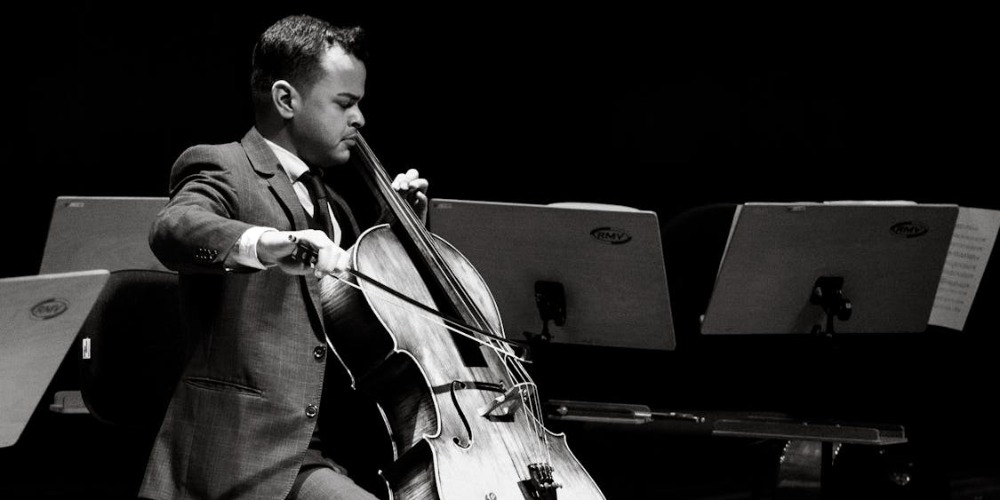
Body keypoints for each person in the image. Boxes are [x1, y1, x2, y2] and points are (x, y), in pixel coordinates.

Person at [140, 14, 427, 500]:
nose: (359, 119)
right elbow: (173, 229)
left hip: (336, 449)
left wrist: (401, 232)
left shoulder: (334, 205)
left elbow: (368, 309)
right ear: (286, 99)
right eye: (345, 103)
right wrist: (267, 243)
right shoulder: (224, 165)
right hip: (247, 454)